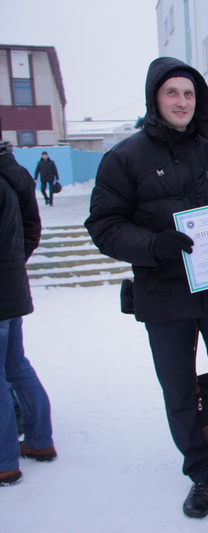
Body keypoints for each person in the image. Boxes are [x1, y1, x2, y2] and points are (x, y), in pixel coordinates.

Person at [85, 57, 208, 519]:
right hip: (163, 294)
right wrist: (153, 245)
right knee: (179, 389)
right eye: (172, 92)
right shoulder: (124, 158)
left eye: (189, 94)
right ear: (155, 98)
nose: (182, 101)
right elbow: (104, 226)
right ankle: (200, 472)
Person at [0, 140, 56, 487]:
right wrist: (12, 265)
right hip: (11, 285)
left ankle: (4, 461)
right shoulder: (12, 173)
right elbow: (31, 228)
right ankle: (39, 440)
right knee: (16, 366)